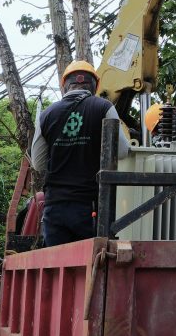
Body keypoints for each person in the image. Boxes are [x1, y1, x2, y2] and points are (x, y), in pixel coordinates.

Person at [31, 60, 130, 246]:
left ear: (64, 86)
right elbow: (122, 151)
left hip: (55, 206)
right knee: (88, 266)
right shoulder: (103, 107)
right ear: (95, 86)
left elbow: (38, 163)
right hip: (88, 206)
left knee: (58, 268)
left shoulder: (46, 114)